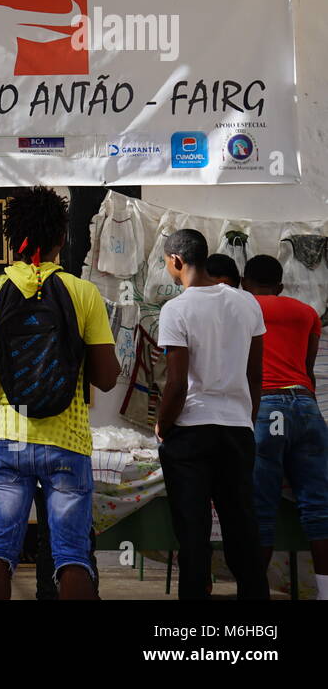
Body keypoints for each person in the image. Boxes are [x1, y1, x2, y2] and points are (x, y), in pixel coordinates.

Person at [0, 186, 120, 600]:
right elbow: (106, 378)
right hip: (67, 443)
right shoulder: (83, 293)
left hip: (9, 441)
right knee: (72, 557)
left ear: (13, 239)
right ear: (61, 238)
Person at [155, 229, 269, 600]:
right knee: (242, 527)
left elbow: (176, 385)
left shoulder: (177, 309)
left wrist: (162, 425)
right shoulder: (247, 303)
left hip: (190, 431)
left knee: (193, 532)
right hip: (236, 429)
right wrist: (246, 419)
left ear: (176, 261)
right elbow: (255, 375)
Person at [242, 254, 328, 597]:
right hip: (306, 406)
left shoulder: (244, 308)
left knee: (261, 507)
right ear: (280, 285)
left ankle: (254, 592)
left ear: (245, 283)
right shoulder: (307, 313)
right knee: (320, 506)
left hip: (266, 406)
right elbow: (307, 371)